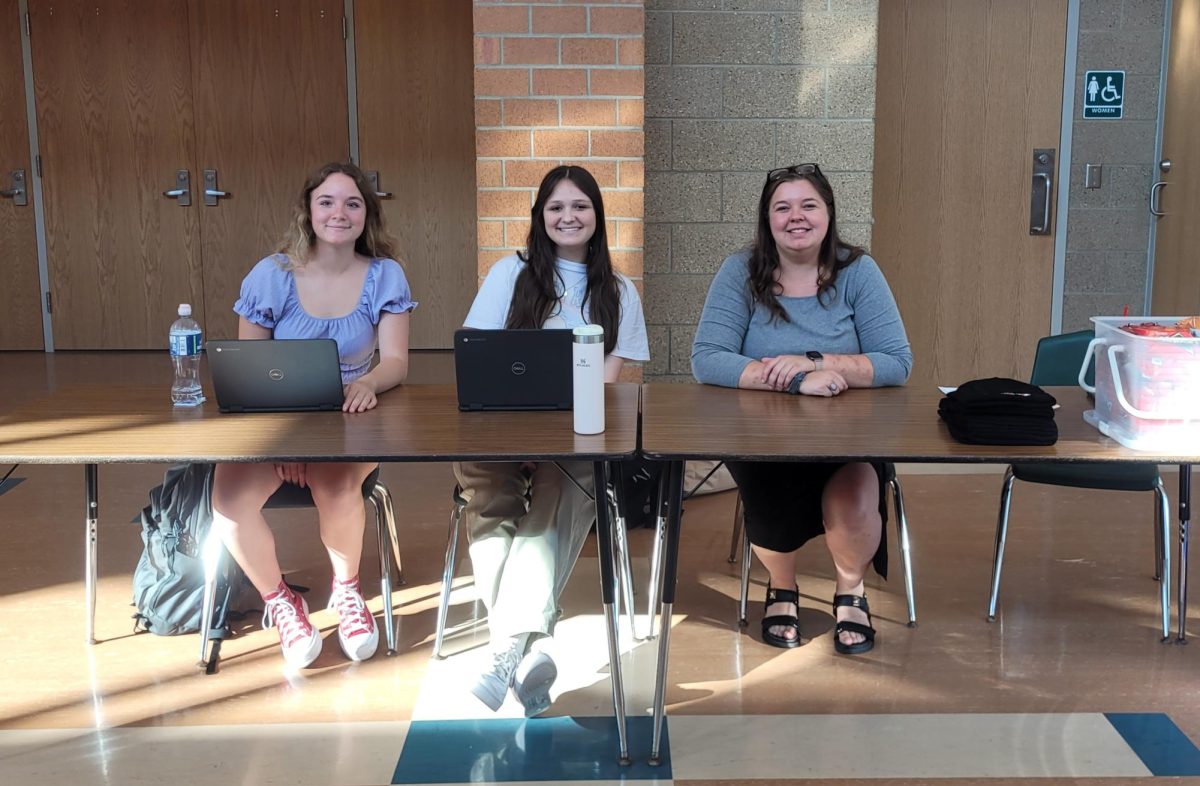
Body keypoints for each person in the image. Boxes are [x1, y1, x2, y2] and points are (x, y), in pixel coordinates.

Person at [691, 162, 912, 654]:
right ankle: (782, 586)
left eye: (808, 205)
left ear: (828, 214)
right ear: (767, 220)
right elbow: (707, 359)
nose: (796, 217)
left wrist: (815, 359)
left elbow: (897, 362)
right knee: (767, 501)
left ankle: (850, 590)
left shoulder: (859, 272)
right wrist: (797, 380)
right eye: (782, 207)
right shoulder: (740, 272)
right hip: (762, 438)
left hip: (849, 437)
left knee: (854, 501)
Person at [453, 164, 649, 715]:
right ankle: (533, 641)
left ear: (597, 216)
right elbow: (477, 354)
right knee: (490, 491)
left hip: (575, 437)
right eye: (556, 207)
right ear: (541, 217)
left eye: (580, 206)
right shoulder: (509, 274)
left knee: (572, 478)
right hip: (500, 431)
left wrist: (558, 439)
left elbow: (606, 388)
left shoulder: (620, 291)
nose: (569, 216)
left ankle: (505, 648)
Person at [211, 162, 415, 670]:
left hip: (350, 418)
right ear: (308, 210)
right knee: (228, 505)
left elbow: (395, 363)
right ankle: (282, 601)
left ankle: (347, 594)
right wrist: (289, 446)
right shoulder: (271, 275)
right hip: (278, 421)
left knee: (337, 487)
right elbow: (250, 370)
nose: (338, 213)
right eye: (327, 201)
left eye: (352, 203)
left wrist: (367, 382)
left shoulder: (385, 275)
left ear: (367, 215)